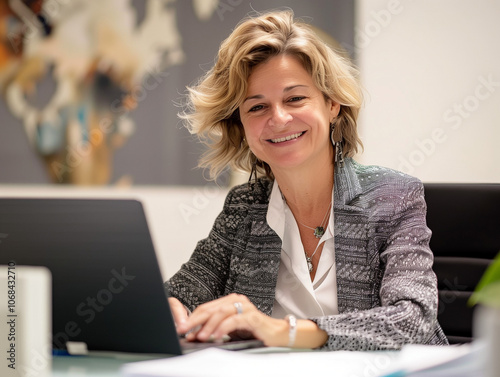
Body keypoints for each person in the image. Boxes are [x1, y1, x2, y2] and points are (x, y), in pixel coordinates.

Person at [166, 10, 448, 350]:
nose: (279, 118)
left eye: (295, 98)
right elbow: (181, 293)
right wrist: (171, 310)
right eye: (257, 107)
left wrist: (281, 331)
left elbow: (412, 319)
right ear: (240, 125)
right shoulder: (245, 208)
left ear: (332, 105)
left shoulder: (393, 197)